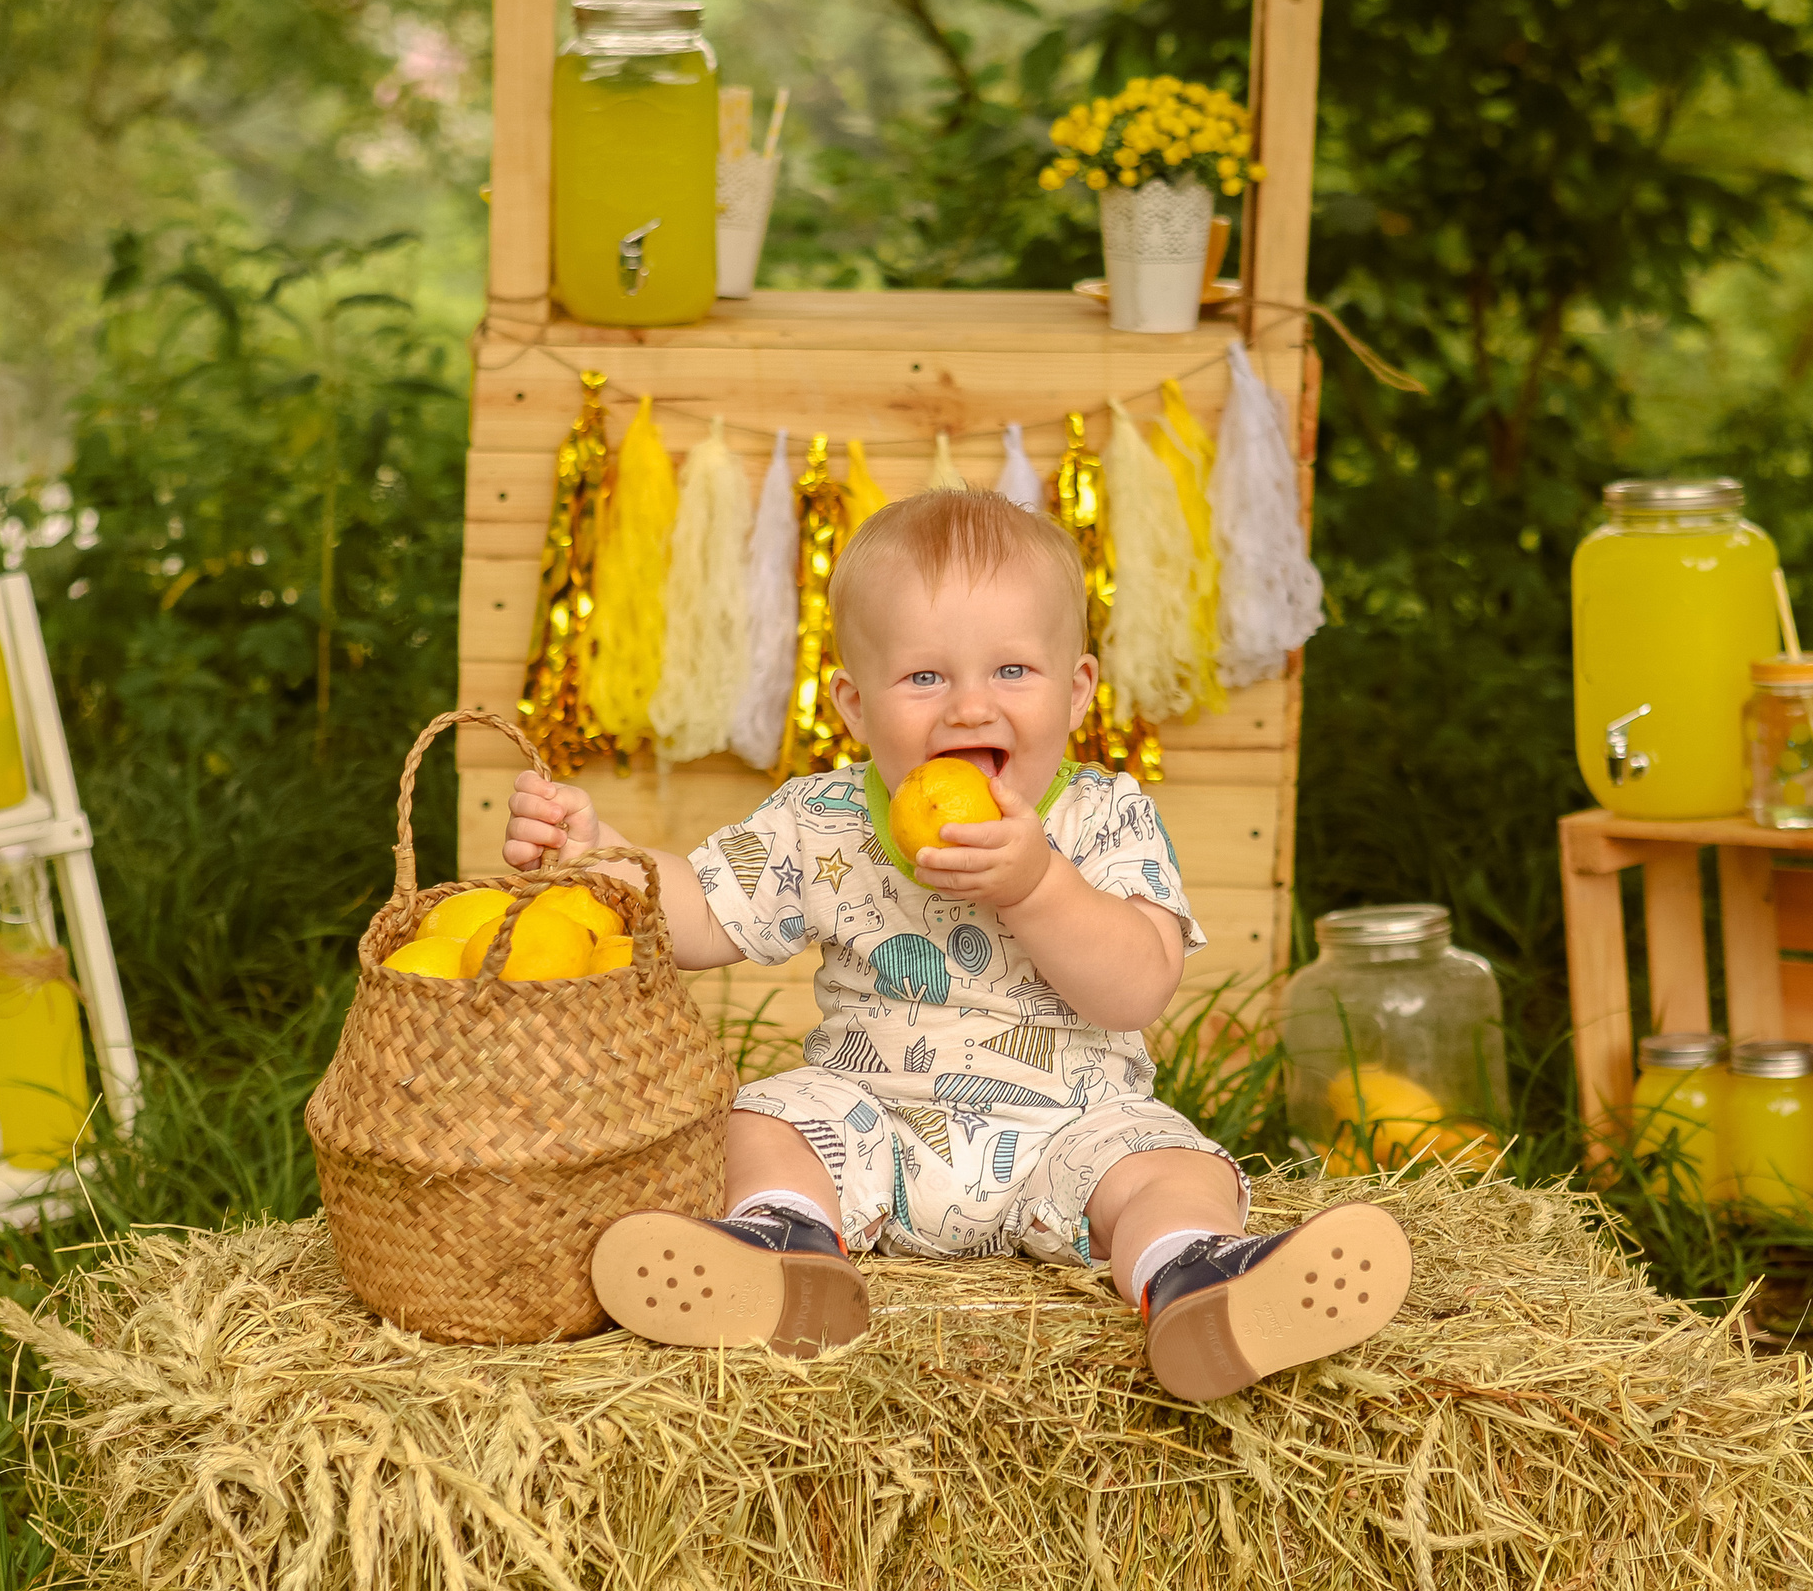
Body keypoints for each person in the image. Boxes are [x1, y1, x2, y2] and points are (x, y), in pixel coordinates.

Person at [504, 488, 1410, 1401]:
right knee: (763, 1118)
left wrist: (1039, 884)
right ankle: (783, 1244)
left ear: (1076, 691)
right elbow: (700, 912)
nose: (970, 707)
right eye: (925, 678)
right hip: (875, 1128)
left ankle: (1194, 1275)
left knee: (1171, 1165)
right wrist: (598, 859)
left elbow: (1137, 986)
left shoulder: (1105, 817)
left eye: (1012, 670)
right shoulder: (819, 820)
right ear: (855, 705)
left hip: (1074, 1133)